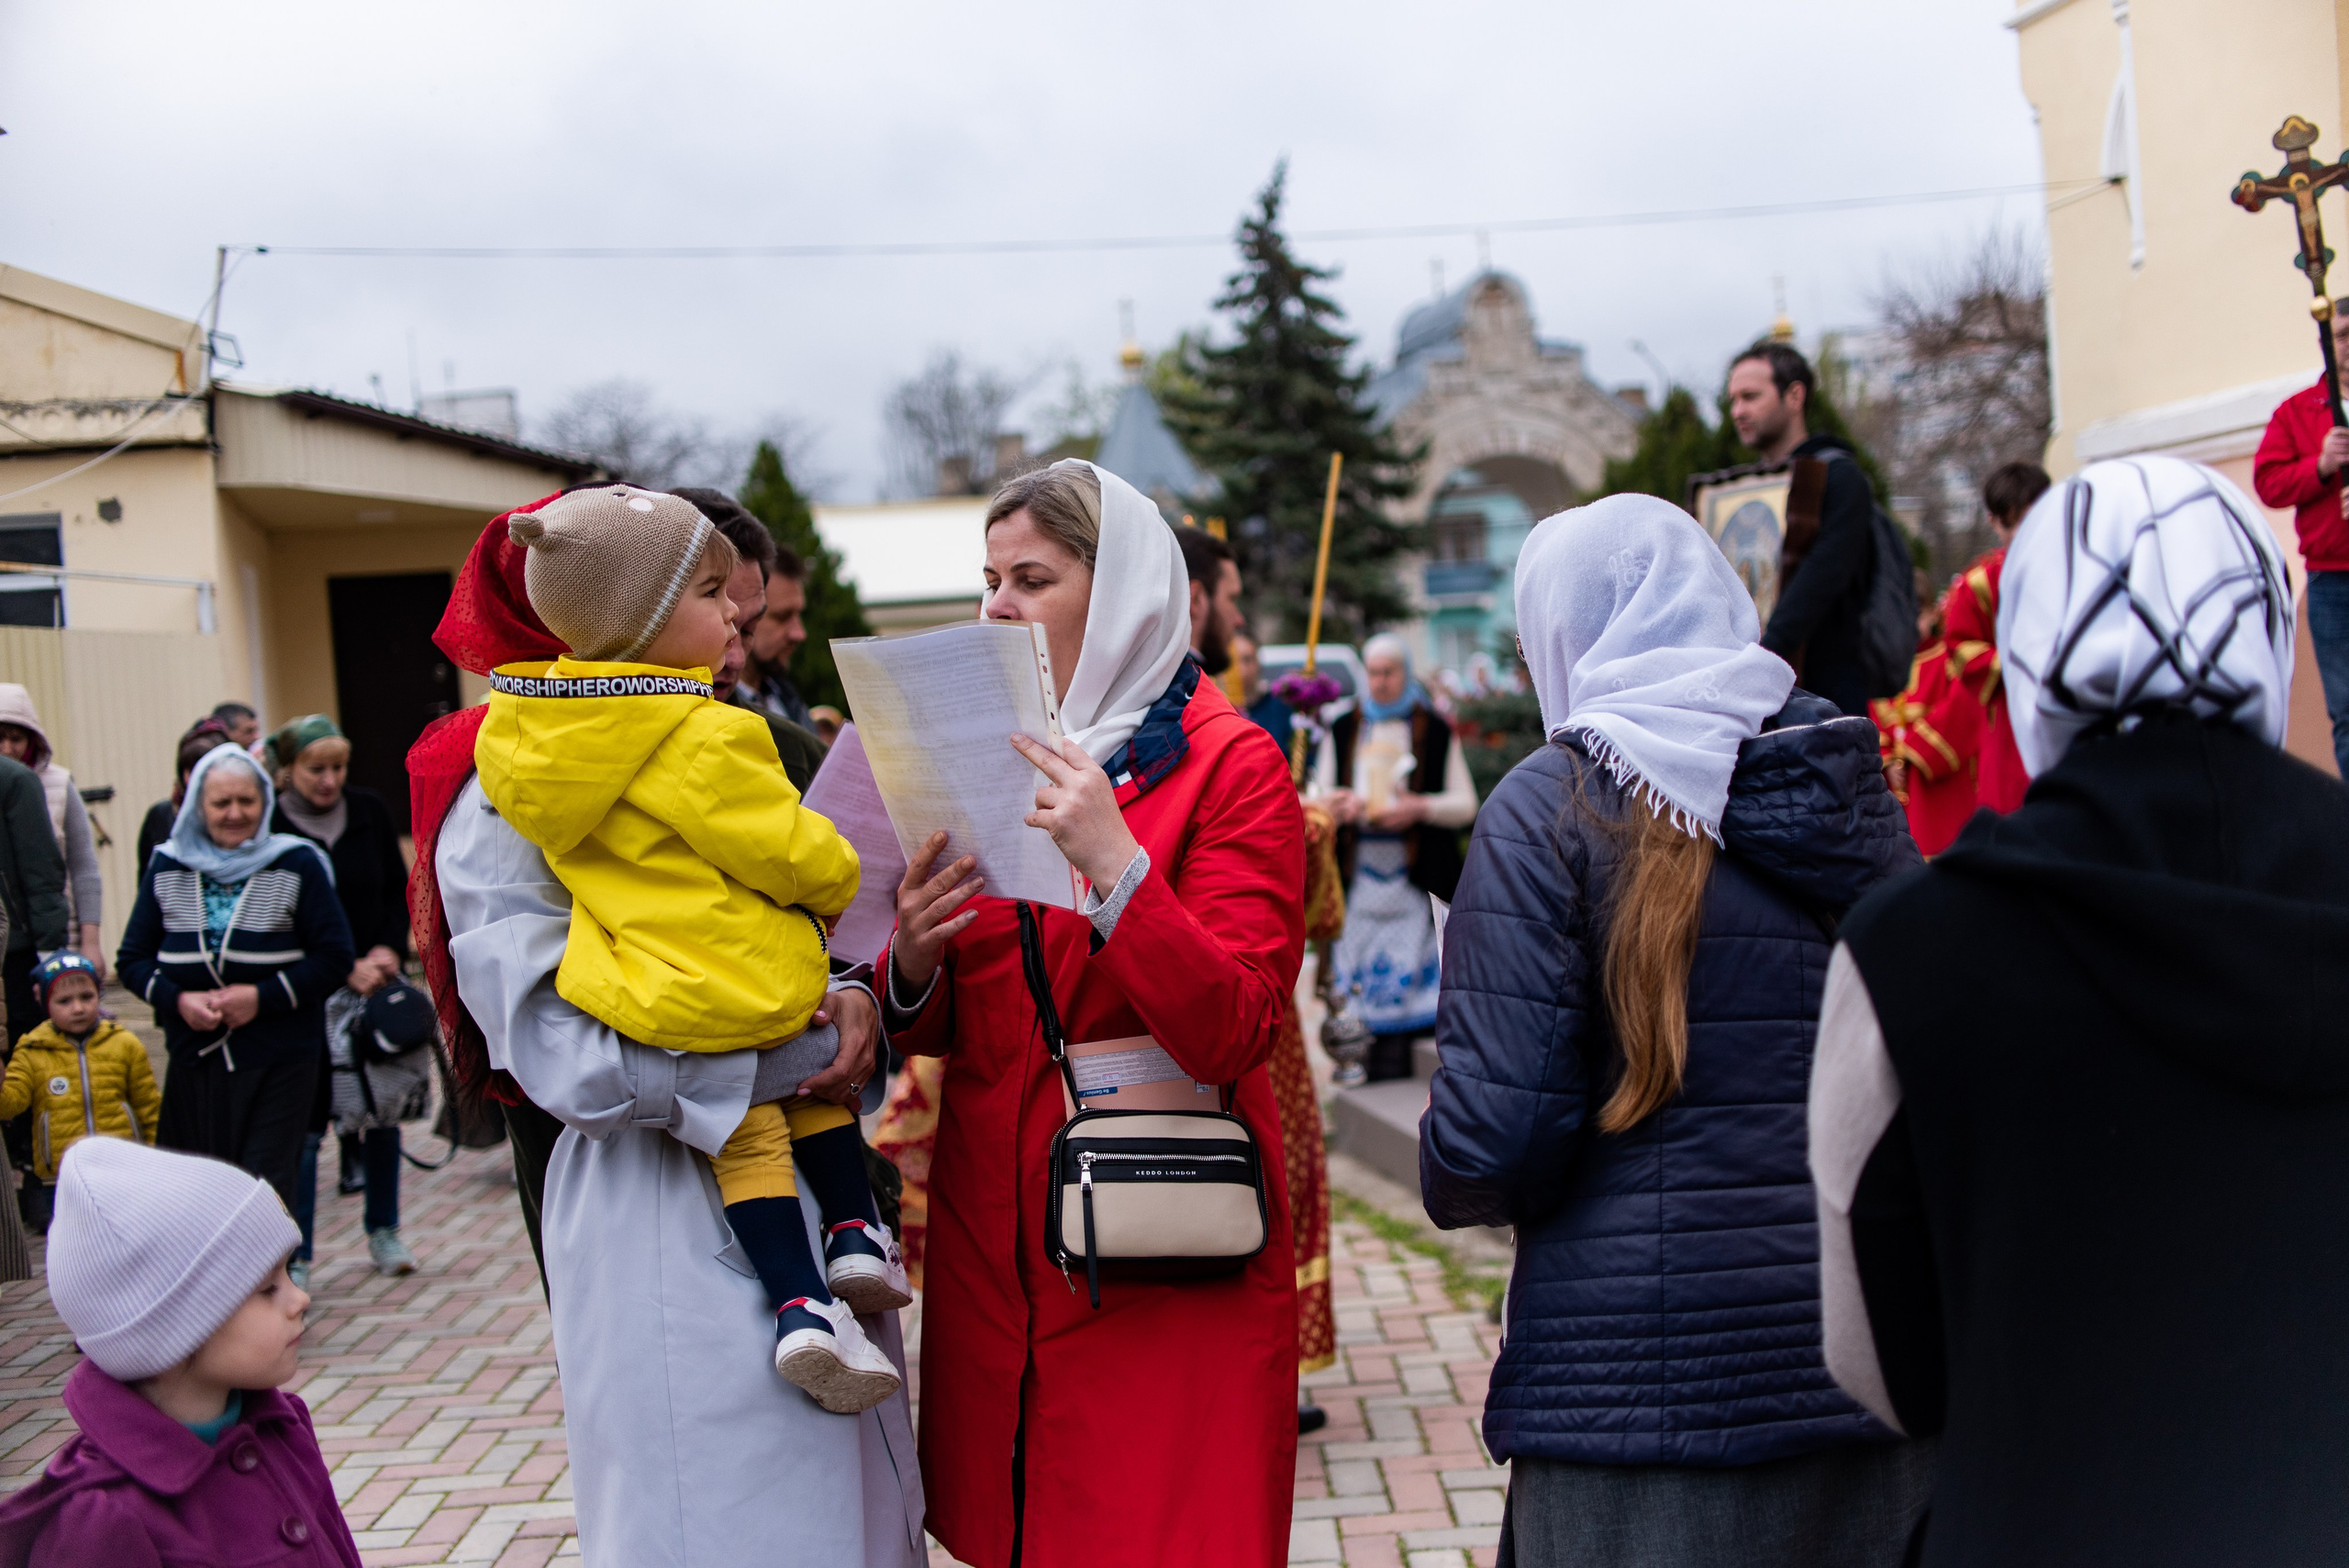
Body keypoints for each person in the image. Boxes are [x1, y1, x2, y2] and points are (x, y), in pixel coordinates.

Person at [1811, 456, 2347, 1566]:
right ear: (2262, 621)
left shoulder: (1908, 943)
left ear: (2031, 650)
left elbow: (1880, 1360)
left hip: (2040, 1515)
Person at [414, 491, 923, 1567]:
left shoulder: (713, 736)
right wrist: (754, 1063)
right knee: (727, 1512)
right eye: (711, 597)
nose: (736, 625)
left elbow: (766, 923)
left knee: (851, 1513)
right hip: (654, 1181)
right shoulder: (507, 786)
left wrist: (846, 999)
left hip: (804, 1175)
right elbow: (544, 1031)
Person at [1423, 494, 1932, 1567]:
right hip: (1869, 1370)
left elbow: (1492, 1143)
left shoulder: (1551, 807)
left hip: (1633, 1402)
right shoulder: (1843, 782)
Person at [883, 459, 1303, 1567]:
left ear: (1117, 591)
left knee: (1160, 1536)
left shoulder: (1232, 763)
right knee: (1018, 1532)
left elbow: (1238, 1023)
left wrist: (1118, 869)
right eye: (988, 580)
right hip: (998, 1241)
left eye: (1031, 579)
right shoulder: (988, 759)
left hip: (1157, 1240)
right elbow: (963, 1016)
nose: (997, 608)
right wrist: (913, 955)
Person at [480, 483, 902, 1407]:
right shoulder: (705, 733)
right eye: (714, 595)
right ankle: (854, 1234)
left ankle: (800, 1306)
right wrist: (838, 874)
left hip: (646, 997)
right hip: (746, 980)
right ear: (644, 619)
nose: (734, 616)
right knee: (814, 1079)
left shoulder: (523, 738)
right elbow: (782, 847)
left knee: (745, 1139)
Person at [0, 1138, 362, 1566]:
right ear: (174, 1328)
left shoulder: (284, 1428)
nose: (300, 1299)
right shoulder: (102, 1520)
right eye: (268, 1288)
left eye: (289, 1273)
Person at [1180, 540, 1337, 1434]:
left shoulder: (1222, 715)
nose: (1240, 616)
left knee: (1284, 1179)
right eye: (1231, 596)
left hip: (1245, 1007)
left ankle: (1272, 1362)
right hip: (1212, 1025)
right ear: (1194, 597)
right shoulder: (1198, 727)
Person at [116, 744, 353, 1232]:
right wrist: (178, 1000)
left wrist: (260, 998)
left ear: (265, 801)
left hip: (280, 1058)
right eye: (220, 803)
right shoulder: (168, 865)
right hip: (195, 1060)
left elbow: (334, 958)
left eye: (247, 800)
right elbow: (131, 960)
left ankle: (273, 1280)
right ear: (196, 806)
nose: (235, 814)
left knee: (263, 1192)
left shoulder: (296, 863)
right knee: (198, 1196)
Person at [265, 716, 423, 1281]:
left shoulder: (368, 810)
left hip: (372, 985)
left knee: (381, 1111)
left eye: (337, 768)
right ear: (288, 770)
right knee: (308, 1127)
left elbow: (396, 889)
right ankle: (299, 1254)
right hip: (310, 990)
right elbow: (279, 915)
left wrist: (387, 948)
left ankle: (385, 1231)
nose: (329, 780)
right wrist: (340, 965)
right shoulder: (270, 823)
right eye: (316, 769)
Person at [1314, 633, 1476, 1082]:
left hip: (1414, 880)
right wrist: (1342, 805)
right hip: (1359, 881)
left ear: (1405, 673)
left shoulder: (1435, 728)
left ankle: (1415, 1077)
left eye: (1390, 672)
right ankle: (1364, 1067)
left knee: (1418, 988)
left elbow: (1466, 804)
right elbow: (1318, 799)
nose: (1381, 681)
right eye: (1373, 672)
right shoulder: (1343, 727)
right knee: (1359, 987)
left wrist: (1419, 808)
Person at [1728, 341, 1882, 717]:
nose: (1737, 411)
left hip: (1826, 704)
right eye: (1733, 400)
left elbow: (1817, 585)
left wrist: (1750, 666)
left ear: (1794, 396)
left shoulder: (1839, 478)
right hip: (1759, 694)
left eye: (1750, 396)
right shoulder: (1738, 492)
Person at [675, 486, 830, 794]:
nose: (736, 659)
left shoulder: (796, 757)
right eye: (718, 625)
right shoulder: (585, 747)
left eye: (748, 630)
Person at [0, 952, 160, 1231]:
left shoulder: (125, 1044)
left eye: (87, 997)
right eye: (64, 1001)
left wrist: (156, 1158)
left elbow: (149, 1107)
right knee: (75, 1243)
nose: (78, 1008)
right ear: (45, 1004)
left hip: (124, 1171)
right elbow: (9, 1105)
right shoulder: (31, 1050)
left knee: (128, 1237)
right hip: (61, 1178)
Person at [2255, 313, 2349, 776]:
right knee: (2347, 711)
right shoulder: (2297, 412)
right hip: (2332, 582)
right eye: (2342, 336)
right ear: (2325, 344)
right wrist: (2320, 466)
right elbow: (2269, 483)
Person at [0, 686, 105, 979]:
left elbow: (84, 868)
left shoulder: (59, 784)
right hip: (10, 943)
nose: (7, 749)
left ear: (33, 740)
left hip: (61, 937)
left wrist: (91, 943)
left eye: (16, 739)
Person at [0, 751, 68, 1051]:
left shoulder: (14, 780)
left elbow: (42, 874)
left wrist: (50, 953)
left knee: (23, 1059)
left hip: (14, 953)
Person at [739, 531, 818, 731]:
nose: (799, 633)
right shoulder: (712, 708)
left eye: (798, 615)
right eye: (783, 617)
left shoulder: (787, 699)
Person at [138, 717, 232, 873]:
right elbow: (148, 877)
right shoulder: (161, 815)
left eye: (202, 765)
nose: (196, 775)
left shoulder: (238, 813)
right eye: (189, 767)